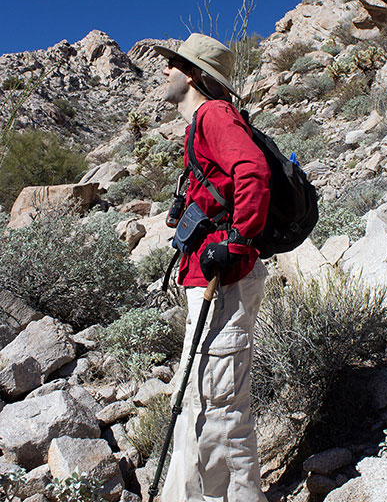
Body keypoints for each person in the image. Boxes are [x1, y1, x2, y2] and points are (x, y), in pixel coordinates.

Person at [154, 33, 270, 502]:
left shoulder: (214, 115)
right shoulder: (197, 126)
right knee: (195, 400)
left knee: (221, 407)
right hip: (207, 278)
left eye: (174, 64)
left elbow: (254, 173)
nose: (165, 70)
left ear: (194, 76)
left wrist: (238, 243)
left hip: (225, 278)